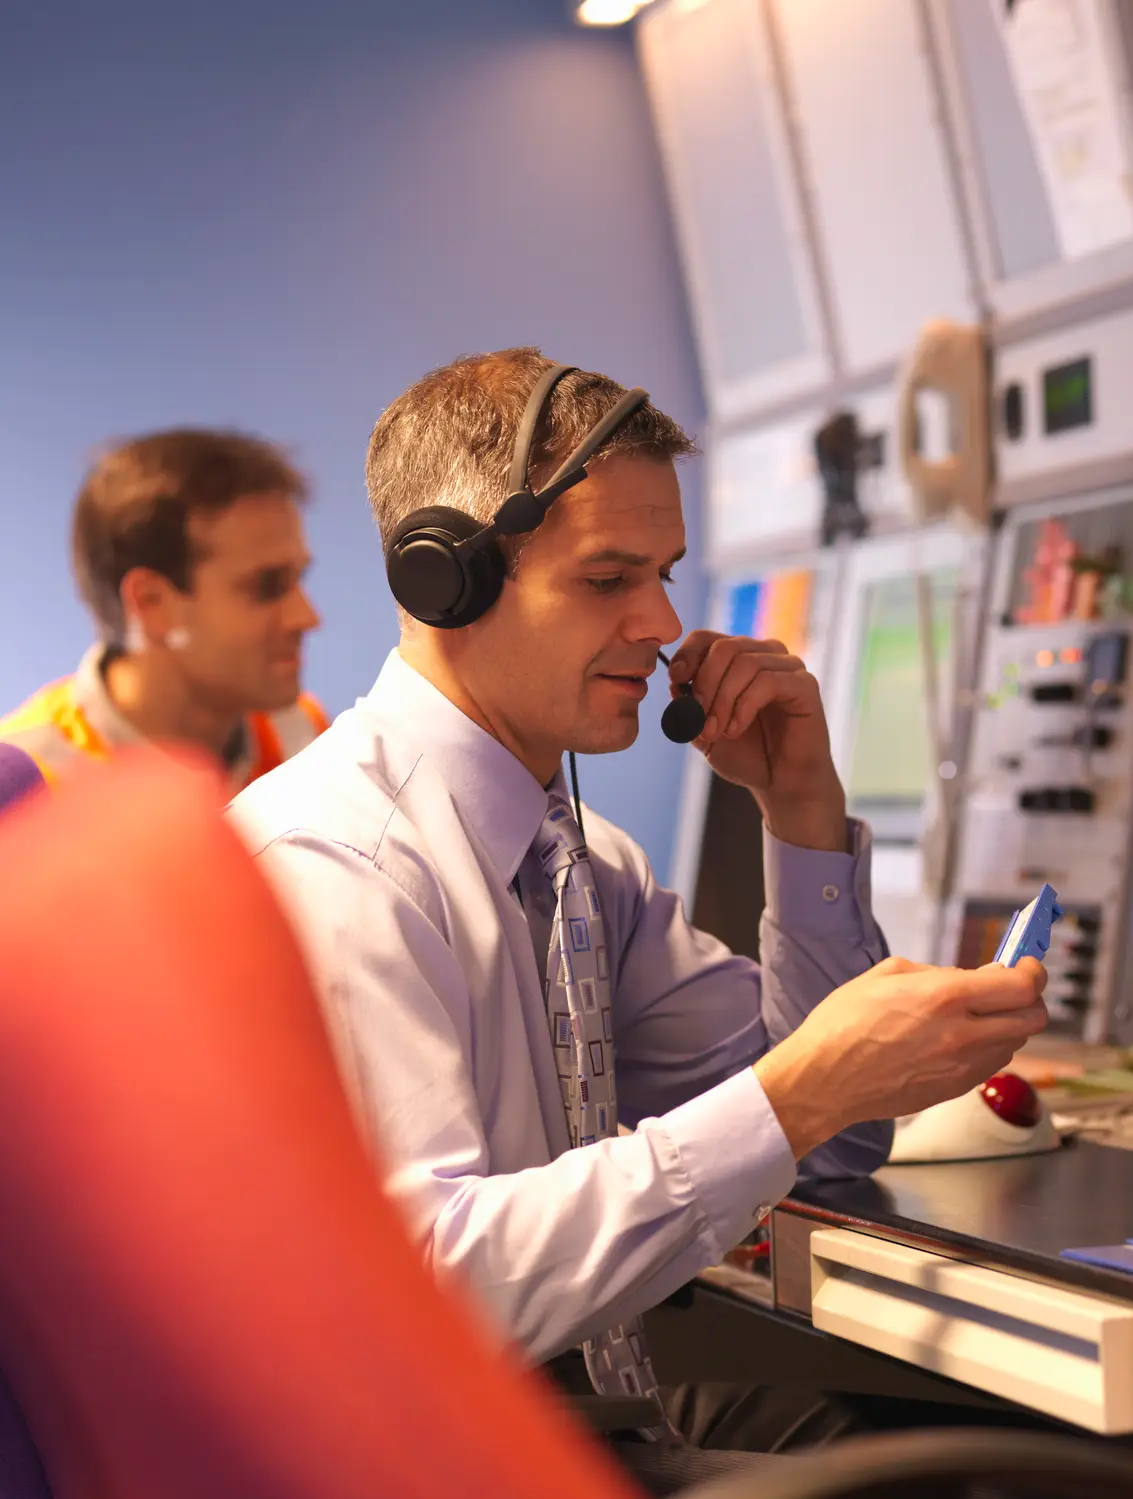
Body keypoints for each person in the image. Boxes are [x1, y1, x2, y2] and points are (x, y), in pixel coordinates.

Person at [228, 349, 1048, 1493]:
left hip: (590, 1422)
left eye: (662, 572)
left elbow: (838, 1136)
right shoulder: (342, 865)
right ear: (444, 582)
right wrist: (801, 1089)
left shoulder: (578, 862)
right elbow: (433, 1287)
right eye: (609, 577)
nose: (661, 622)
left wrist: (800, 813)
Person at [0, 430, 325, 788]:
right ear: (151, 603)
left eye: (298, 579)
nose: (307, 618)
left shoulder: (303, 735)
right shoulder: (23, 790)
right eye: (266, 587)